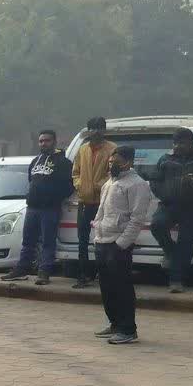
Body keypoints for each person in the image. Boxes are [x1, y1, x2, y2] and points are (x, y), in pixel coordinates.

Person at [92, 146, 154, 345]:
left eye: (116, 162)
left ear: (128, 162)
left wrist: (121, 244)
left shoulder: (138, 185)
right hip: (102, 241)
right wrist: (97, 232)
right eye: (110, 162)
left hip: (118, 245)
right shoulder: (109, 183)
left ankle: (128, 330)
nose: (111, 166)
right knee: (107, 288)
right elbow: (101, 212)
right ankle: (115, 324)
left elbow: (137, 219)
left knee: (122, 287)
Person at [2, 130, 74, 285]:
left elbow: (69, 187)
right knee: (28, 241)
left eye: (47, 140)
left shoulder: (63, 162)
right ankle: (22, 269)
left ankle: (44, 272)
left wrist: (52, 197)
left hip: (50, 209)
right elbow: (31, 181)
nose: (43, 143)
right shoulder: (35, 161)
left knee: (48, 242)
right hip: (32, 208)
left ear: (54, 141)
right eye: (41, 141)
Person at [148, 128, 193, 293]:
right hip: (169, 204)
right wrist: (164, 194)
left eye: (182, 143)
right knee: (157, 225)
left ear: (190, 143)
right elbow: (154, 180)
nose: (178, 146)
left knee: (186, 244)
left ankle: (176, 281)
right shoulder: (165, 159)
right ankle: (171, 252)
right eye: (176, 143)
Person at [71, 117, 118, 288]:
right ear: (88, 130)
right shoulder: (82, 149)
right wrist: (81, 185)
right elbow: (75, 172)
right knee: (82, 239)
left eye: (100, 128)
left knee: (105, 240)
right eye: (93, 128)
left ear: (104, 130)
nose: (97, 131)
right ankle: (83, 275)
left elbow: (114, 173)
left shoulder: (113, 149)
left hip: (104, 202)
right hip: (84, 201)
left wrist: (98, 185)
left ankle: (105, 276)